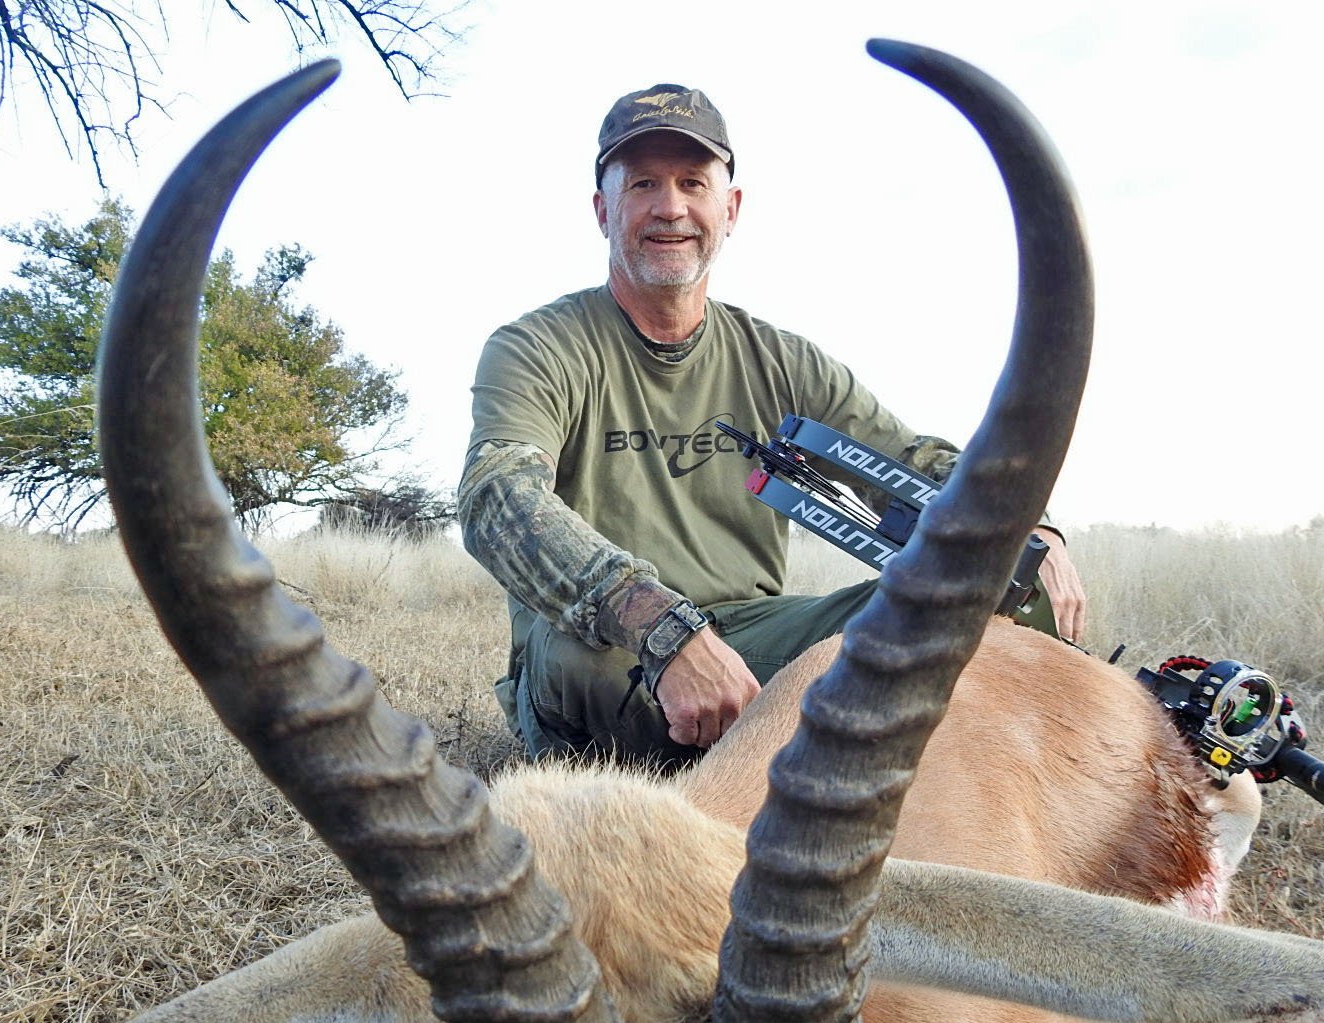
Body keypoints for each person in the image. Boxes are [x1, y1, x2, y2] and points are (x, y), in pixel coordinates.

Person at [458, 82, 1087, 769]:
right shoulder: (537, 347)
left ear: (729, 209)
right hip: (605, 639)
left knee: (987, 604)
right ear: (603, 210)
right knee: (611, 670)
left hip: (754, 640)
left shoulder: (781, 360)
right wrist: (661, 628)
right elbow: (498, 498)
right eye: (643, 184)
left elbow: (912, 462)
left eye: (693, 183)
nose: (670, 207)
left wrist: (1031, 523)